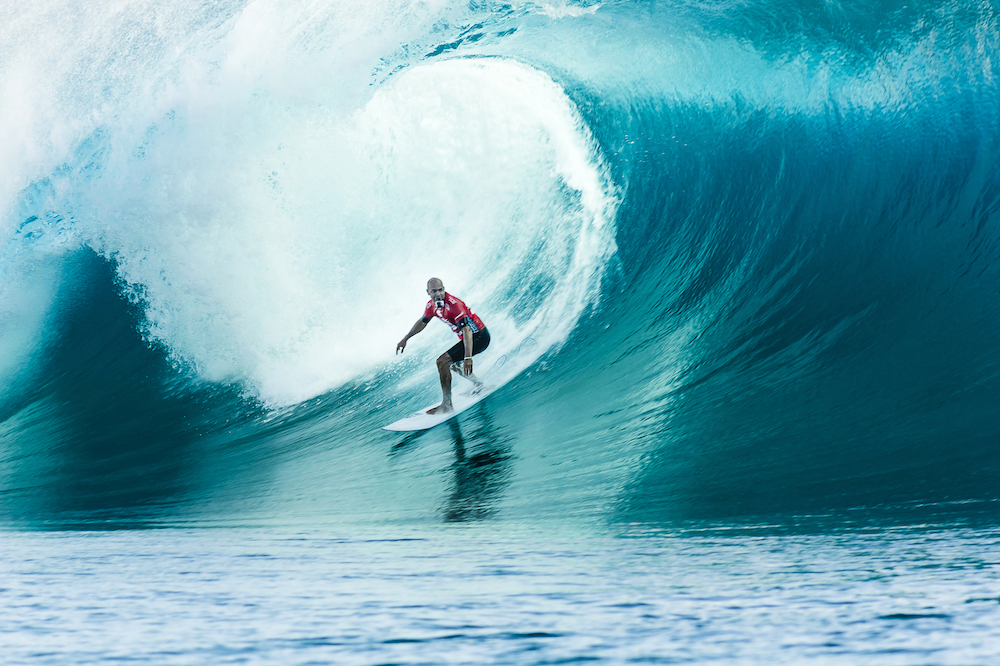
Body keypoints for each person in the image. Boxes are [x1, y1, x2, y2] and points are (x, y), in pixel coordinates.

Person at [396, 278, 491, 414]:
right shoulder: (431, 306)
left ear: (444, 289)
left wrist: (468, 357)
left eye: (440, 290)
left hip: (479, 337)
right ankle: (478, 383)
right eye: (434, 291)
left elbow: (467, 330)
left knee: (442, 362)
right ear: (428, 292)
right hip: (468, 338)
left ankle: (447, 405)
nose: (438, 294)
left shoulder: (454, 305)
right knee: (451, 364)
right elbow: (423, 322)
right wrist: (406, 338)